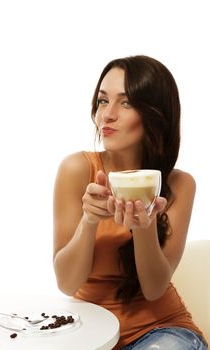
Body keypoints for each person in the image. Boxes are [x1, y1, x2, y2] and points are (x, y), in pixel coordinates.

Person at [52, 55, 208, 349]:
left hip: (161, 331)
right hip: (90, 334)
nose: (107, 115)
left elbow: (154, 288)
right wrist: (90, 220)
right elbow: (67, 283)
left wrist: (145, 226)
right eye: (102, 101)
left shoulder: (179, 185)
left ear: (154, 114)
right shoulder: (77, 169)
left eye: (125, 103)